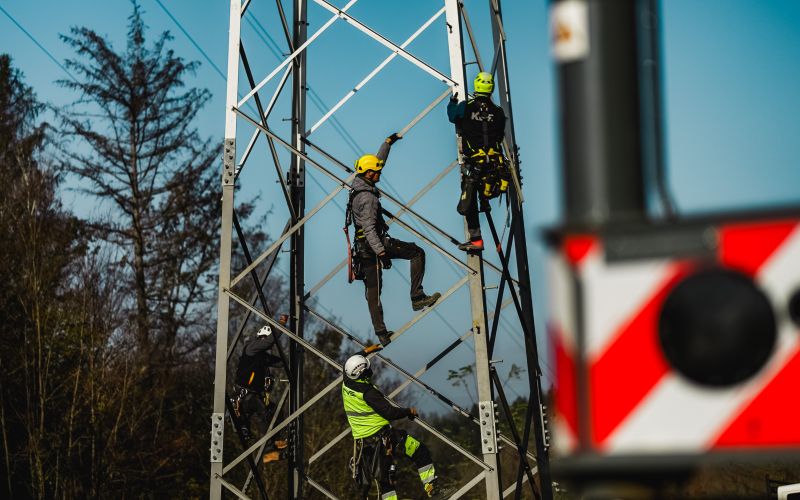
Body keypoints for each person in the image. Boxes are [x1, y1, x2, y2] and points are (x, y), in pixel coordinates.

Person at [346, 133, 441, 346]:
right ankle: (417, 297)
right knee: (417, 252)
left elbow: (378, 161)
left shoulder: (359, 183)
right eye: (377, 172)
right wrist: (382, 252)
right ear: (369, 174)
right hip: (374, 244)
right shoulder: (368, 198)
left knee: (373, 291)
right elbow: (370, 229)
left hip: (362, 248)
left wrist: (387, 143)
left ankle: (381, 334)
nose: (380, 172)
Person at [342, 346, 440, 499]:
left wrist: (365, 352)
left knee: (385, 481)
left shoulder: (347, 381)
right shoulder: (368, 393)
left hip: (365, 445)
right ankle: (432, 489)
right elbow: (390, 412)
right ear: (364, 372)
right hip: (384, 438)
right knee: (419, 451)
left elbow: (350, 364)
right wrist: (408, 411)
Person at [447, 71, 509, 252]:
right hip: (494, 167)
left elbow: (452, 116)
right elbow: (499, 134)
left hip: (474, 165)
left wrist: (452, 103)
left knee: (469, 201)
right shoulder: (498, 112)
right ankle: (486, 202)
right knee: (480, 194)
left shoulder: (465, 107)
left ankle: (476, 240)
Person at [230, 324, 286, 461]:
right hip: (244, 396)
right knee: (264, 412)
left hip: (252, 395)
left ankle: (275, 440)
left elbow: (281, 362)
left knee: (274, 410)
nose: (267, 345)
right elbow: (268, 342)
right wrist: (281, 325)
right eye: (265, 340)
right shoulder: (251, 348)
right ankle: (268, 451)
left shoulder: (263, 356)